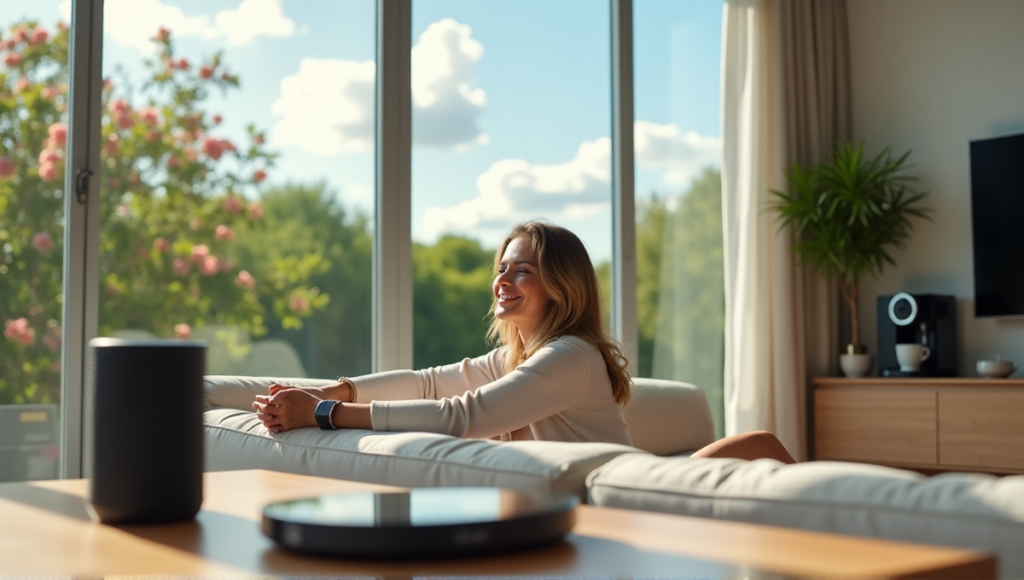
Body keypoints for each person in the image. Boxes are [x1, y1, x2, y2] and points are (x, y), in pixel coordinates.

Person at [252, 221, 795, 463]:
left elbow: (458, 417)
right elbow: (425, 382)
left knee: (762, 445)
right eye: (502, 269)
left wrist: (321, 414)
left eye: (523, 271)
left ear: (561, 285)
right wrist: (333, 391)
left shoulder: (571, 355)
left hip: (635, 492)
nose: (503, 281)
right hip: (610, 487)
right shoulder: (519, 356)